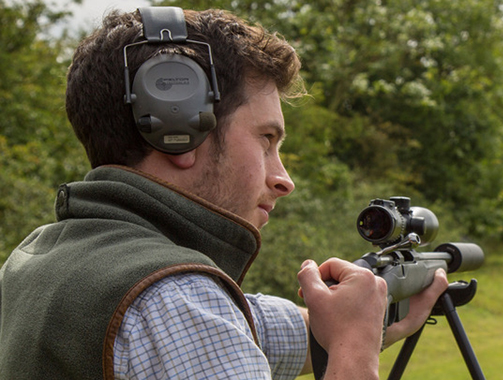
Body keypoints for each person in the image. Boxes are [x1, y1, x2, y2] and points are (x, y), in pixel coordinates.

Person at [0, 7, 448, 379]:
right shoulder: (176, 299)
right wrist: (354, 353)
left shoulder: (35, 258)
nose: (284, 179)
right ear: (181, 129)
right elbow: (197, 321)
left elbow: (251, 329)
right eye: (267, 140)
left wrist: (368, 321)